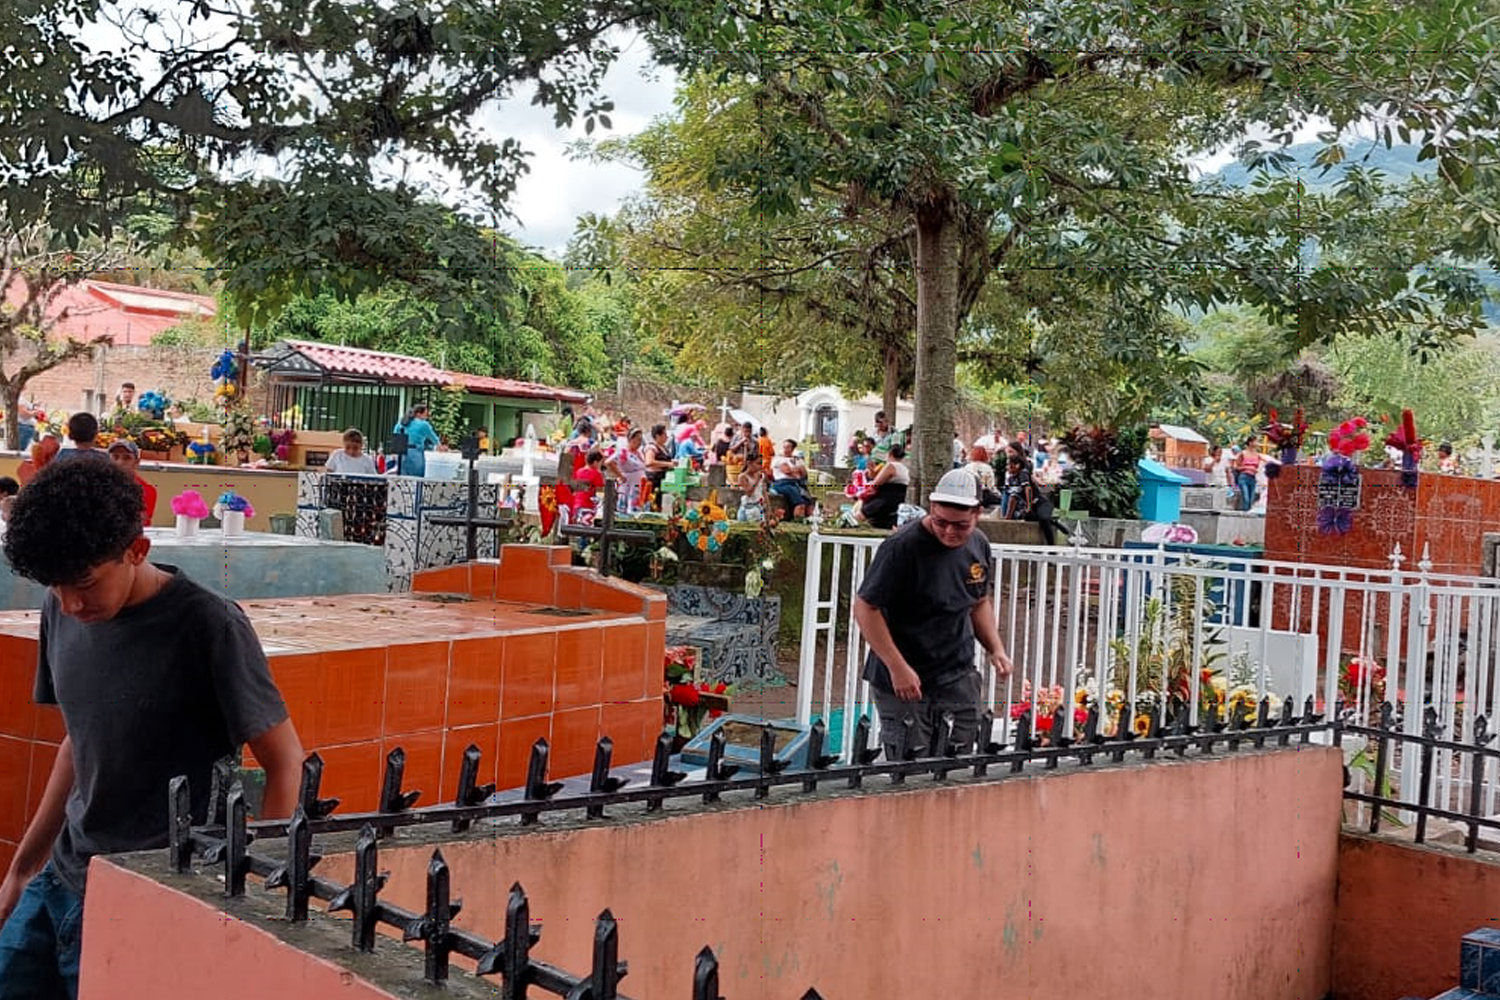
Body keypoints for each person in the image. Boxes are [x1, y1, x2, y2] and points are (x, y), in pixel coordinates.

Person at [0, 460, 305, 997]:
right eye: (56, 587)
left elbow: (283, 760)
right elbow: (78, 743)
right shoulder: (61, 608)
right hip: (63, 875)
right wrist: (22, 869)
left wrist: (258, 884)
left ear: (136, 551)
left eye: (85, 584)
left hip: (153, 888)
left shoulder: (209, 626)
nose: (71, 603)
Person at [852, 467, 1012, 761]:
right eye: (941, 522)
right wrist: (896, 667)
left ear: (977, 514)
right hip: (902, 677)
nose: (949, 531)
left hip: (957, 673)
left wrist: (996, 648)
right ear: (931, 507)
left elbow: (978, 601)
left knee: (958, 762)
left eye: (960, 525)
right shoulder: (901, 547)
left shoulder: (979, 545)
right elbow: (865, 607)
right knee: (912, 768)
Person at [1001, 443, 1070, 545]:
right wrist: (1008, 517)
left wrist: (1028, 506)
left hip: (1041, 503)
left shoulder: (1023, 474)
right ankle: (1053, 522)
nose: (1007, 467)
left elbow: (1028, 489)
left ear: (1017, 465)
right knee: (1027, 517)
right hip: (1033, 507)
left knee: (1043, 518)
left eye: (1009, 465)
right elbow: (1013, 498)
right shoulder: (1011, 479)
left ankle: (1051, 546)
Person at [857, 442, 910, 529]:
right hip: (898, 500)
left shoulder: (891, 466)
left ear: (889, 453)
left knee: (859, 516)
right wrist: (872, 472)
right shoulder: (904, 468)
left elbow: (875, 484)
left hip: (885, 499)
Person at [107, 439, 158, 524]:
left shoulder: (147, 491)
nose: (119, 462)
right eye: (115, 457)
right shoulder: (98, 485)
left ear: (136, 462)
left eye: (126, 458)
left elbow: (139, 523)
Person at [769, 439, 816, 518]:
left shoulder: (797, 460)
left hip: (797, 483)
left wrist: (795, 471)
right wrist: (797, 471)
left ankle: (808, 520)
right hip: (782, 483)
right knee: (800, 503)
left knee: (809, 501)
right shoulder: (778, 459)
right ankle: (798, 519)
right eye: (784, 447)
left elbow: (804, 474)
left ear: (793, 449)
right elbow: (787, 471)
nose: (785, 449)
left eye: (788, 447)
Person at [605, 428, 648, 512]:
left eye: (640, 440)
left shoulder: (639, 453)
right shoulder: (623, 451)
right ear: (630, 439)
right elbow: (608, 462)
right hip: (629, 484)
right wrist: (620, 475)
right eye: (637, 440)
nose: (639, 443)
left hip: (639, 485)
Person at [393, 404, 440, 478]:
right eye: (425, 415)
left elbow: (395, 438)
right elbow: (434, 439)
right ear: (418, 414)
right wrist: (439, 446)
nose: (426, 418)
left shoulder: (400, 424)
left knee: (402, 479)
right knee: (416, 479)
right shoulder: (423, 424)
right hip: (415, 453)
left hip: (401, 454)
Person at [1233, 437, 1263, 512]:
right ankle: (1245, 516)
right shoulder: (1243, 453)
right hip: (1244, 476)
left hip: (1253, 478)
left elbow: (1260, 465)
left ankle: (1247, 517)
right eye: (1255, 442)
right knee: (1246, 498)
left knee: (1251, 500)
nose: (1256, 443)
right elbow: (1236, 467)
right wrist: (1247, 467)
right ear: (1250, 443)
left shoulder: (1257, 455)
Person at [737, 452, 769, 522]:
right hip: (748, 508)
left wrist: (768, 507)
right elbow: (749, 493)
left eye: (761, 463)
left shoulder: (760, 475)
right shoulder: (743, 476)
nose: (760, 466)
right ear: (749, 463)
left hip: (759, 508)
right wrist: (757, 480)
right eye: (758, 463)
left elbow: (764, 492)